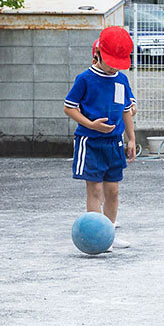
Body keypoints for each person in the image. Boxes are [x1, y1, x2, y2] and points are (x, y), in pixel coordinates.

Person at [64, 27, 136, 249]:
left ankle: (109, 234)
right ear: (98, 54)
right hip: (90, 142)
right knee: (94, 190)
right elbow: (69, 108)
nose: (114, 66)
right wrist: (90, 124)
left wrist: (131, 138)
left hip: (114, 142)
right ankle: (96, 237)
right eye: (111, 60)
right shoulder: (85, 79)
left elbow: (126, 110)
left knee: (112, 191)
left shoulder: (121, 79)